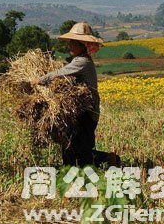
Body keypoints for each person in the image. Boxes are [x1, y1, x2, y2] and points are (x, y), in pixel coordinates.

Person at [36, 22, 110, 167]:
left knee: (81, 150)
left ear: (82, 45)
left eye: (73, 43)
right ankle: (72, 168)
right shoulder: (78, 60)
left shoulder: (82, 62)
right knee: (73, 147)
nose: (69, 46)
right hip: (82, 110)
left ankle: (109, 159)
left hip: (88, 111)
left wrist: (40, 80)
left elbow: (60, 73)